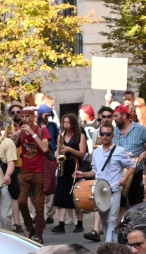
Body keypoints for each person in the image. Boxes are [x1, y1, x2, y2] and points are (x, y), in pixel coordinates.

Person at [74, 124, 133, 243]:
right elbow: (95, 171)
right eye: (103, 134)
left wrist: (125, 178)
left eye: (108, 134)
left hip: (114, 190)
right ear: (99, 135)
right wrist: (83, 174)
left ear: (113, 135)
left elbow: (132, 166)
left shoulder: (119, 151)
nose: (105, 137)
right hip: (100, 191)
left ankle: (108, 248)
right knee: (105, 221)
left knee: (111, 220)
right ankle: (113, 246)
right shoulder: (96, 152)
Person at [112, 104, 146, 217]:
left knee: (136, 204)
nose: (114, 118)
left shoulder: (139, 129)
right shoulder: (114, 132)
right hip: (119, 172)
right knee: (119, 204)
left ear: (124, 115)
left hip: (136, 172)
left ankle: (135, 228)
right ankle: (119, 231)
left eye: (116, 116)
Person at [15, 107, 52, 243]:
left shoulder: (42, 130)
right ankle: (29, 226)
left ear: (34, 118)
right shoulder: (22, 131)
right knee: (21, 201)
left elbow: (44, 148)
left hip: (39, 172)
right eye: (23, 117)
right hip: (25, 171)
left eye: (27, 117)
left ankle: (38, 233)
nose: (24, 119)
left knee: (39, 204)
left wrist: (32, 133)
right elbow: (15, 145)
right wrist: (15, 136)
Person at [53, 113, 87, 233]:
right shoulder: (60, 136)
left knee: (77, 195)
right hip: (64, 166)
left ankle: (80, 223)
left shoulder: (80, 136)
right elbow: (58, 153)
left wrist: (69, 149)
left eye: (68, 123)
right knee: (61, 195)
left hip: (75, 167)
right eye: (64, 122)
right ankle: (61, 223)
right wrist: (58, 160)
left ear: (73, 124)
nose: (66, 125)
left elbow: (82, 153)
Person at [6, 103, 26, 232]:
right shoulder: (9, 128)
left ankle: (30, 219)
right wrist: (10, 137)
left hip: (27, 164)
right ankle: (17, 223)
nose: (16, 114)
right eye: (13, 113)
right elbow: (4, 144)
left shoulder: (27, 127)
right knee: (15, 195)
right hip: (14, 163)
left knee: (27, 196)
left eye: (18, 112)